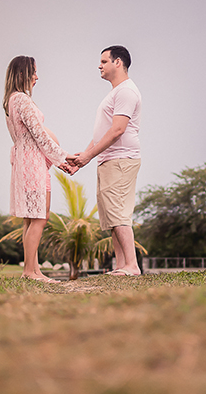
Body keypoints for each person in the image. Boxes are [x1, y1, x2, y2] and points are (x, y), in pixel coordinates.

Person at [62, 46, 144, 276]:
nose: (100, 65)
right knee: (110, 216)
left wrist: (89, 156)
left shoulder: (126, 91)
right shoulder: (115, 92)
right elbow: (102, 133)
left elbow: (118, 130)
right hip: (109, 160)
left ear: (118, 62)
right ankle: (121, 265)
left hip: (120, 159)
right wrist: (82, 158)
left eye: (104, 61)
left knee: (118, 213)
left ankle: (132, 266)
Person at [4, 55, 68, 283]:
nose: (37, 77)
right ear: (22, 74)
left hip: (32, 163)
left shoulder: (12, 100)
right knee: (39, 217)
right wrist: (63, 159)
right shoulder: (21, 99)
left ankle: (34, 269)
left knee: (33, 218)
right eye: (33, 72)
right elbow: (38, 134)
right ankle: (30, 271)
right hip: (32, 165)